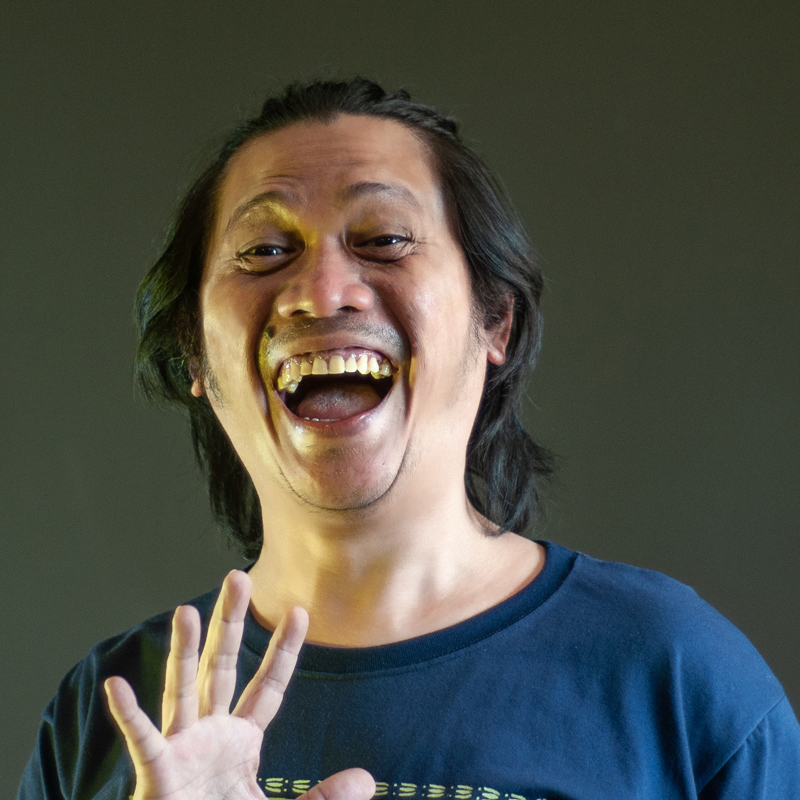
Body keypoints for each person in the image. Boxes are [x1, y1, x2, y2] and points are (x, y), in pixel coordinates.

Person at [17, 78, 800, 800]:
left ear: (495, 320)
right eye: (264, 251)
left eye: (385, 239)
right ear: (194, 349)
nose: (323, 291)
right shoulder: (113, 712)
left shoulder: (676, 677)